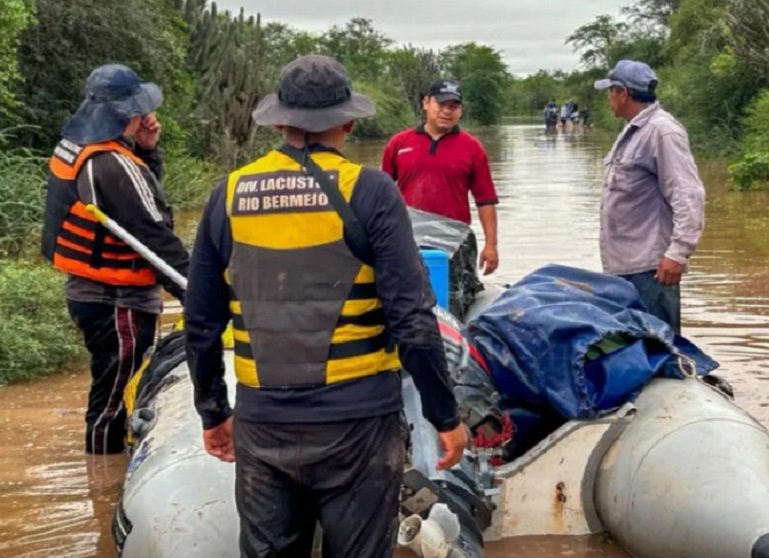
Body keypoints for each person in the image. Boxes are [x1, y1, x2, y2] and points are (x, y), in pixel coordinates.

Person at [185, 55, 468, 558]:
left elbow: (202, 323)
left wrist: (212, 412)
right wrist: (443, 416)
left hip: (263, 422)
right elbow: (413, 319)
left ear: (278, 121)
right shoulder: (371, 191)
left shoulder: (227, 194)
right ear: (348, 121)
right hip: (357, 427)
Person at [41, 64, 189, 455]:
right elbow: (156, 237)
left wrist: (148, 150)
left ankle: (105, 463)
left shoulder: (80, 149)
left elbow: (141, 201)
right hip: (116, 300)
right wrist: (200, 294)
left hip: (91, 293)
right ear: (128, 114)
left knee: (110, 391)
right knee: (110, 404)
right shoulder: (111, 164)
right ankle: (103, 481)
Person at [594, 59, 706, 334]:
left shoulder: (662, 131)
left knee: (659, 350)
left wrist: (678, 254)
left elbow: (688, 194)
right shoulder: (633, 130)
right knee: (632, 350)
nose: (608, 97)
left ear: (623, 93)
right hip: (624, 266)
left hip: (651, 269)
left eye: (610, 90)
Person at [381, 79, 500, 274]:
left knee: (452, 296)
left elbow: (485, 200)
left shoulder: (472, 148)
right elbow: (381, 195)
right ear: (426, 103)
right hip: (406, 237)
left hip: (454, 239)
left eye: (453, 106)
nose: (447, 111)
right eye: (441, 104)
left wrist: (491, 246)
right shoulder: (399, 143)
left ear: (460, 111)